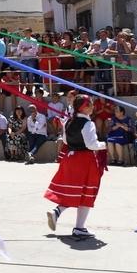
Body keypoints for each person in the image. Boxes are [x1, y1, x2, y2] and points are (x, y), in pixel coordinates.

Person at [45, 94, 107, 237]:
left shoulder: (69, 122)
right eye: (91, 104)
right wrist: (104, 145)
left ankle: (57, 212)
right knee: (86, 191)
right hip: (85, 160)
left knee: (74, 190)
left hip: (70, 158)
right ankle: (79, 227)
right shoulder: (88, 124)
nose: (93, 106)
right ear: (85, 108)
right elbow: (91, 145)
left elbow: (66, 141)